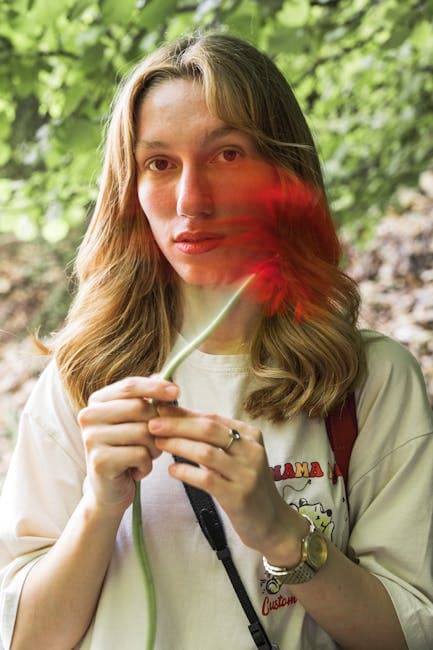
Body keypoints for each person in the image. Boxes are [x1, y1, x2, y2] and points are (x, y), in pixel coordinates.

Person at [0, 32, 432, 650]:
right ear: (131, 189)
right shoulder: (83, 381)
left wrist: (281, 533)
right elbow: (25, 640)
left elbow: (412, 632)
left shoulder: (367, 380)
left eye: (227, 155)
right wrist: (99, 507)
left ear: (284, 175)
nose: (190, 200)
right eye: (160, 164)